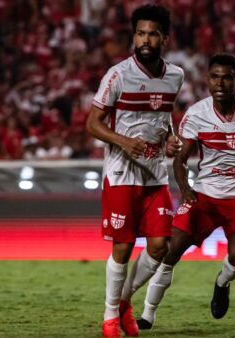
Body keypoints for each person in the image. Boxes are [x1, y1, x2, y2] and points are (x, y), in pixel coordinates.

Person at [134, 53, 235, 329]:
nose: (219, 83)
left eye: (226, 77)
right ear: (207, 79)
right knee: (169, 250)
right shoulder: (196, 114)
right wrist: (185, 189)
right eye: (214, 77)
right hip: (205, 195)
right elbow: (180, 159)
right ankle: (148, 314)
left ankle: (222, 282)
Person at [85, 4, 184, 338]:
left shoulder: (176, 76)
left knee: (160, 246)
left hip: (155, 173)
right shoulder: (117, 75)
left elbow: (164, 117)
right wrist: (123, 141)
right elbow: (93, 124)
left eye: (153, 34)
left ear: (164, 39)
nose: (145, 39)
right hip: (122, 172)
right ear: (134, 35)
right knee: (123, 249)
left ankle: (123, 303)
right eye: (140, 33)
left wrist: (171, 139)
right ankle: (110, 317)